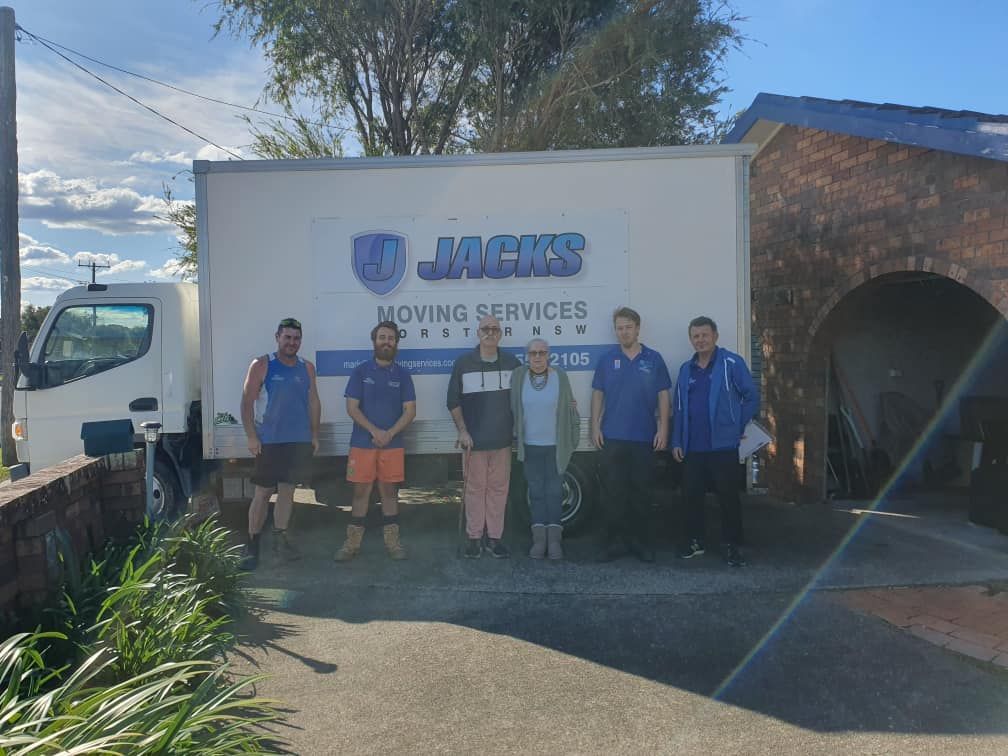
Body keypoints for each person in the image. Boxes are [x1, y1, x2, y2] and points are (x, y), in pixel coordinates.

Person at [672, 316, 759, 568]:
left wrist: (736, 425)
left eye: (705, 335)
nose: (700, 340)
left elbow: (751, 397)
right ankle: (695, 541)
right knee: (691, 497)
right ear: (691, 339)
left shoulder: (731, 363)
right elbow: (678, 408)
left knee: (728, 498)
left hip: (723, 446)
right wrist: (677, 440)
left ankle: (732, 545)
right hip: (693, 447)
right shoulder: (686, 369)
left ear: (715, 336)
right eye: (696, 336)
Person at [239, 317, 321, 570]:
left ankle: (280, 541)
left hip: (298, 441)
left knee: (287, 491)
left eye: (296, 338)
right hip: (270, 441)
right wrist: (251, 435)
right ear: (277, 338)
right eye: (287, 337)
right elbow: (247, 402)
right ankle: (252, 545)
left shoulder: (307, 367)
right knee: (263, 493)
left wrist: (314, 434)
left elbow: (314, 402)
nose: (292, 342)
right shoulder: (262, 364)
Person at [590, 307, 671, 562]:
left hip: (643, 437)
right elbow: (598, 394)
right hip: (612, 437)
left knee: (641, 494)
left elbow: (663, 395)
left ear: (637, 328)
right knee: (613, 495)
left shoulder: (653, 358)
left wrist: (663, 428)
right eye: (619, 328)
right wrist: (594, 426)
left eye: (628, 327)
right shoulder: (607, 359)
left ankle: (640, 544)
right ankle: (613, 544)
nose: (624, 332)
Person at [334, 321, 417, 561]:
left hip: (392, 444)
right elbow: (352, 407)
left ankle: (393, 544)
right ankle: (351, 545)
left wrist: (389, 434)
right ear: (374, 341)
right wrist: (375, 431)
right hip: (362, 443)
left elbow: (410, 411)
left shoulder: (403, 375)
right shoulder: (360, 371)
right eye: (382, 337)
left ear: (396, 343)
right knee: (360, 493)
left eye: (391, 338)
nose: (386, 342)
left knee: (390, 493)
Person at [447, 314, 521, 559]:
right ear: (477, 333)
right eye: (485, 328)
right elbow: (453, 401)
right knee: (475, 490)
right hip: (474, 443)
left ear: (501, 334)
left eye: (495, 329)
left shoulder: (512, 363)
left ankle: (494, 539)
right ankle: (474, 538)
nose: (490, 332)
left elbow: (526, 394)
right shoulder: (463, 363)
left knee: (499, 490)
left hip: (502, 441)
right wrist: (462, 431)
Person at [511, 338, 580, 560]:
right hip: (530, 447)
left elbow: (571, 408)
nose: (538, 357)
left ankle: (555, 541)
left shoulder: (560, 376)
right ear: (527, 356)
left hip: (555, 448)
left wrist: (573, 439)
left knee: (554, 492)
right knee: (536, 493)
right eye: (533, 353)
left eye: (542, 352)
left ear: (548, 355)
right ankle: (539, 540)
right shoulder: (519, 376)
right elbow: (513, 407)